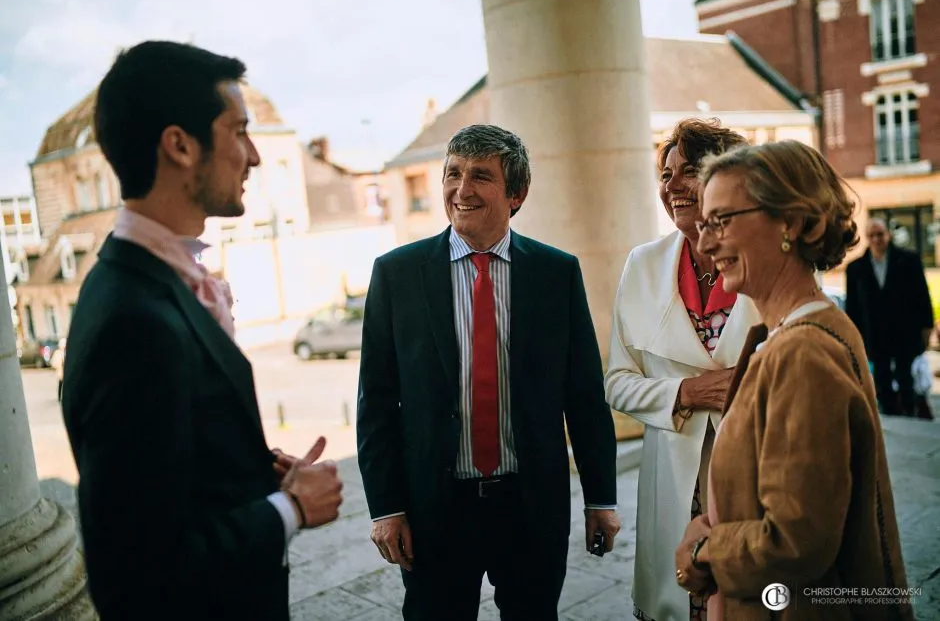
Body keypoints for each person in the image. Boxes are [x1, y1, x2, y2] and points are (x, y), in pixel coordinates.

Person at [61, 41, 343, 620]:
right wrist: (291, 509)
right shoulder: (132, 323)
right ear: (181, 145)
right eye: (238, 132)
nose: (255, 157)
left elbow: (164, 472)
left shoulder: (134, 275)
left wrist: (248, 466)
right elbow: (135, 576)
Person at [357, 124, 620, 620]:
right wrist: (386, 508)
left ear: (516, 194)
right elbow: (376, 400)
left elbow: (584, 396)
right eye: (453, 174)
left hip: (529, 505)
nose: (461, 189)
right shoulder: (396, 275)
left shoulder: (555, 273)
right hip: (434, 509)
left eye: (480, 176)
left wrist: (599, 498)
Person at [676, 140, 912, 620]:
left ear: (793, 222)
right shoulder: (794, 332)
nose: (705, 242)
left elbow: (795, 541)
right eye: (704, 224)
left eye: (721, 221)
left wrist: (703, 553)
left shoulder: (802, 352)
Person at [605, 118, 759, 621]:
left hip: (759, 466)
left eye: (688, 170)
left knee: (754, 598)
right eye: (665, 174)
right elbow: (616, 382)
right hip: (675, 475)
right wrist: (685, 393)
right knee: (682, 599)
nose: (670, 185)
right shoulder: (642, 265)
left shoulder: (771, 257)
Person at [845, 217, 933, 417]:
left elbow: (921, 296)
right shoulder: (856, 269)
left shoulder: (909, 261)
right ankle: (890, 413)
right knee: (881, 380)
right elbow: (853, 308)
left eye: (880, 234)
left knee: (906, 378)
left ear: (888, 234)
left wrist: (926, 328)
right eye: (872, 235)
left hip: (904, 333)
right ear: (867, 238)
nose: (877, 239)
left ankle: (910, 413)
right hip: (875, 336)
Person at [50, 337, 66, 402]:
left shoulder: (66, 352)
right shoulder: (58, 352)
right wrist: (59, 365)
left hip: (65, 371)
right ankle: (59, 397)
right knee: (60, 385)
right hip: (61, 371)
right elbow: (54, 362)